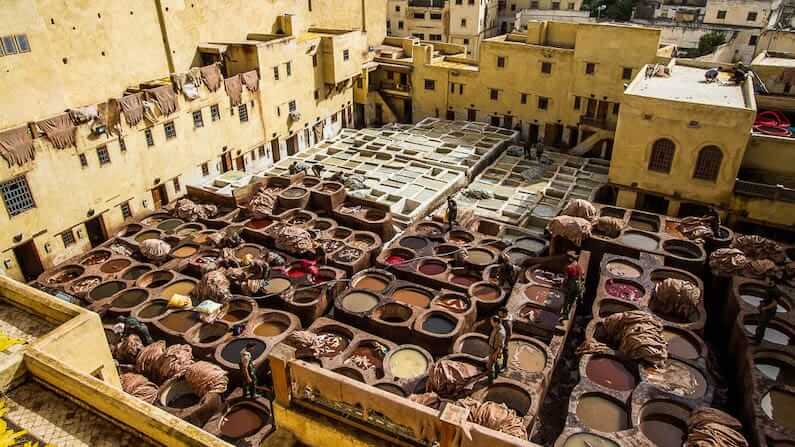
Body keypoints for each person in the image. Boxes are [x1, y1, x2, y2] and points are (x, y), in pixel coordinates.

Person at [560, 252, 583, 320]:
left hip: (571, 286)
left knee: (566, 300)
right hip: (578, 285)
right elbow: (582, 275)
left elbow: (566, 278)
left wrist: (563, 285)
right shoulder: (577, 264)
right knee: (572, 301)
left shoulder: (568, 267)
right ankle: (568, 314)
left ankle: (565, 315)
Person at [487, 315, 507, 383]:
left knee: (490, 366)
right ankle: (497, 373)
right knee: (496, 362)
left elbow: (500, 346)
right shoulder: (497, 327)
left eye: (492, 322)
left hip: (495, 350)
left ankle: (490, 380)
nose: (491, 323)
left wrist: (495, 354)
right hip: (493, 348)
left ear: (496, 322)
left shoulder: (500, 332)